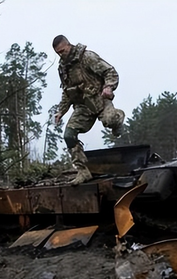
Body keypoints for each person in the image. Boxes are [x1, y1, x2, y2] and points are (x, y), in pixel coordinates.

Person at [53, 35, 125, 185]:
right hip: (83, 107)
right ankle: (83, 171)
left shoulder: (87, 57)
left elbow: (110, 72)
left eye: (62, 51)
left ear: (69, 45)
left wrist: (108, 87)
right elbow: (67, 92)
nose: (61, 55)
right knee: (69, 135)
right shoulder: (63, 68)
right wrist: (61, 111)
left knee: (109, 120)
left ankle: (118, 119)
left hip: (100, 100)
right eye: (58, 53)